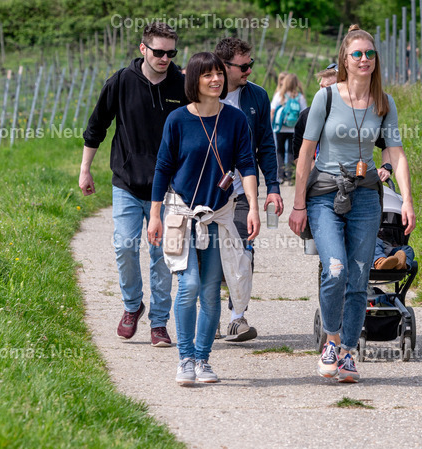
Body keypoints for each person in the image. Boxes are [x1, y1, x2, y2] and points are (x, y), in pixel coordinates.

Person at [289, 26, 416, 383]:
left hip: (365, 196)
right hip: (325, 194)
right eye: (357, 54)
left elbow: (396, 153)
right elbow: (305, 153)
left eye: (369, 54)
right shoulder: (326, 98)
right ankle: (331, 342)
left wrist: (407, 199)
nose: (364, 59)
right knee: (335, 269)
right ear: (345, 60)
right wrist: (298, 205)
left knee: (359, 278)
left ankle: (347, 353)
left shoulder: (384, 103)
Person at [147, 52, 260, 386]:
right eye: (207, 75)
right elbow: (163, 168)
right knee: (190, 284)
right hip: (182, 214)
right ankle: (184, 358)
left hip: (219, 215)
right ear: (193, 80)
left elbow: (247, 165)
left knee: (211, 291)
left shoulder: (235, 119)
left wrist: (253, 206)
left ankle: (202, 359)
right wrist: (154, 215)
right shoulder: (177, 120)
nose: (216, 80)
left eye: (219, 74)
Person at [80, 22, 186, 347]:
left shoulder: (182, 85)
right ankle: (132, 305)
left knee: (163, 255)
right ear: (143, 48)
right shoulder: (121, 82)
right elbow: (97, 125)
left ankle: (159, 323)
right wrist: (85, 169)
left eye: (171, 53)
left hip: (169, 188)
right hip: (127, 182)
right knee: (125, 246)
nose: (165, 59)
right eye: (159, 52)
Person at [215, 37, 283, 342]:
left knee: (242, 251)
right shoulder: (204, 92)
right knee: (209, 256)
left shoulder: (257, 96)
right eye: (243, 66)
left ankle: (237, 318)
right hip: (208, 191)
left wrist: (274, 187)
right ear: (224, 66)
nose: (249, 70)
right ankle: (209, 317)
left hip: (244, 188)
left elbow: (266, 144)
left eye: (250, 64)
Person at [270, 72, 307, 185]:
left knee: (279, 151)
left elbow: (272, 111)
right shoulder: (299, 97)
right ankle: (290, 177)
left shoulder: (279, 95)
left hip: (280, 128)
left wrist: (272, 125)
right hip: (294, 129)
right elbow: (304, 113)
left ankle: (281, 176)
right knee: (291, 152)